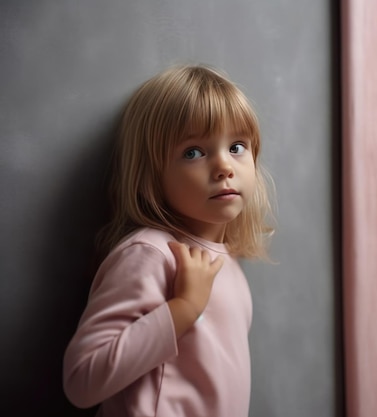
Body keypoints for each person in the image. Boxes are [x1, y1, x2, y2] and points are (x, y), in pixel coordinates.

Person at [63, 64, 274, 417]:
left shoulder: (229, 265)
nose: (224, 166)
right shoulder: (151, 254)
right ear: (152, 175)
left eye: (237, 146)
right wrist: (184, 308)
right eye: (194, 152)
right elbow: (82, 380)